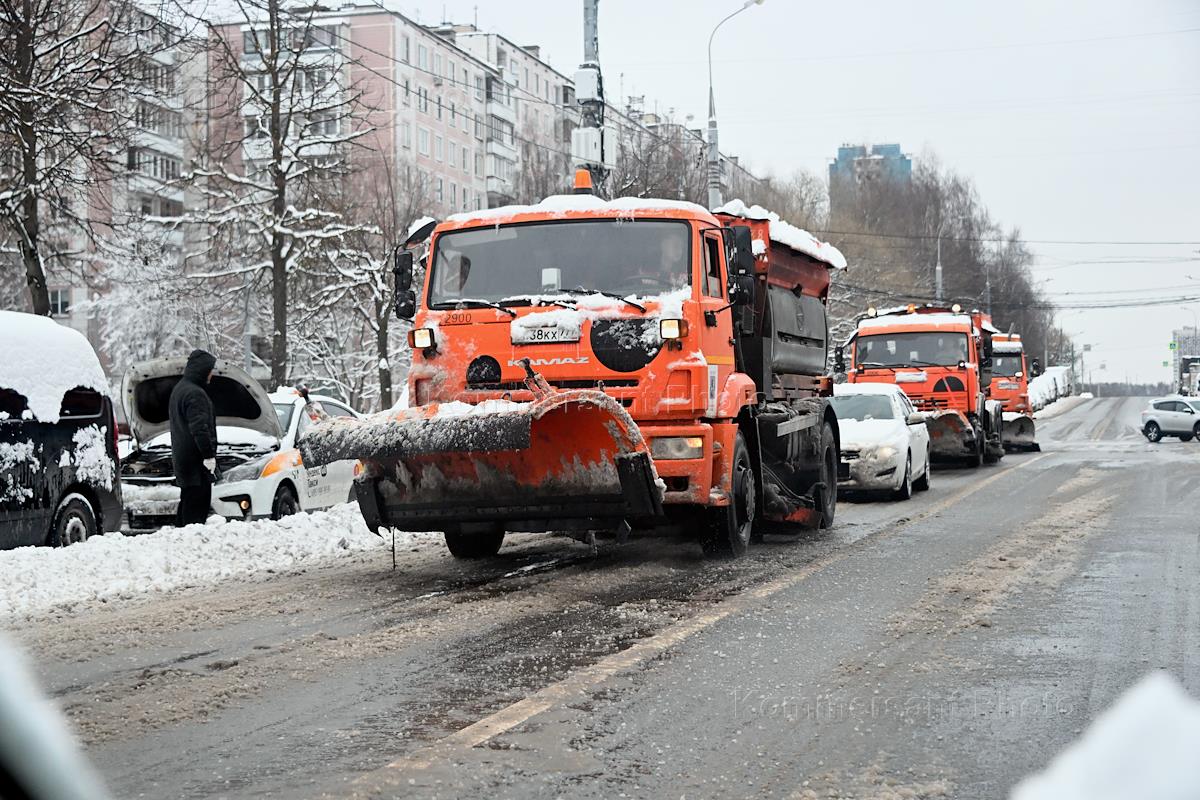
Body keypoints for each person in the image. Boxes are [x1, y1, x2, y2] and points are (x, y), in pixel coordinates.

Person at [170, 349, 218, 526]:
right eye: (210, 370)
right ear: (203, 370)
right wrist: (208, 456)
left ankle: (181, 538)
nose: (212, 374)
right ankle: (189, 540)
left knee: (187, 505)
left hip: (185, 463)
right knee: (196, 514)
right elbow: (200, 429)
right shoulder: (195, 394)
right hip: (196, 465)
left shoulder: (180, 389)